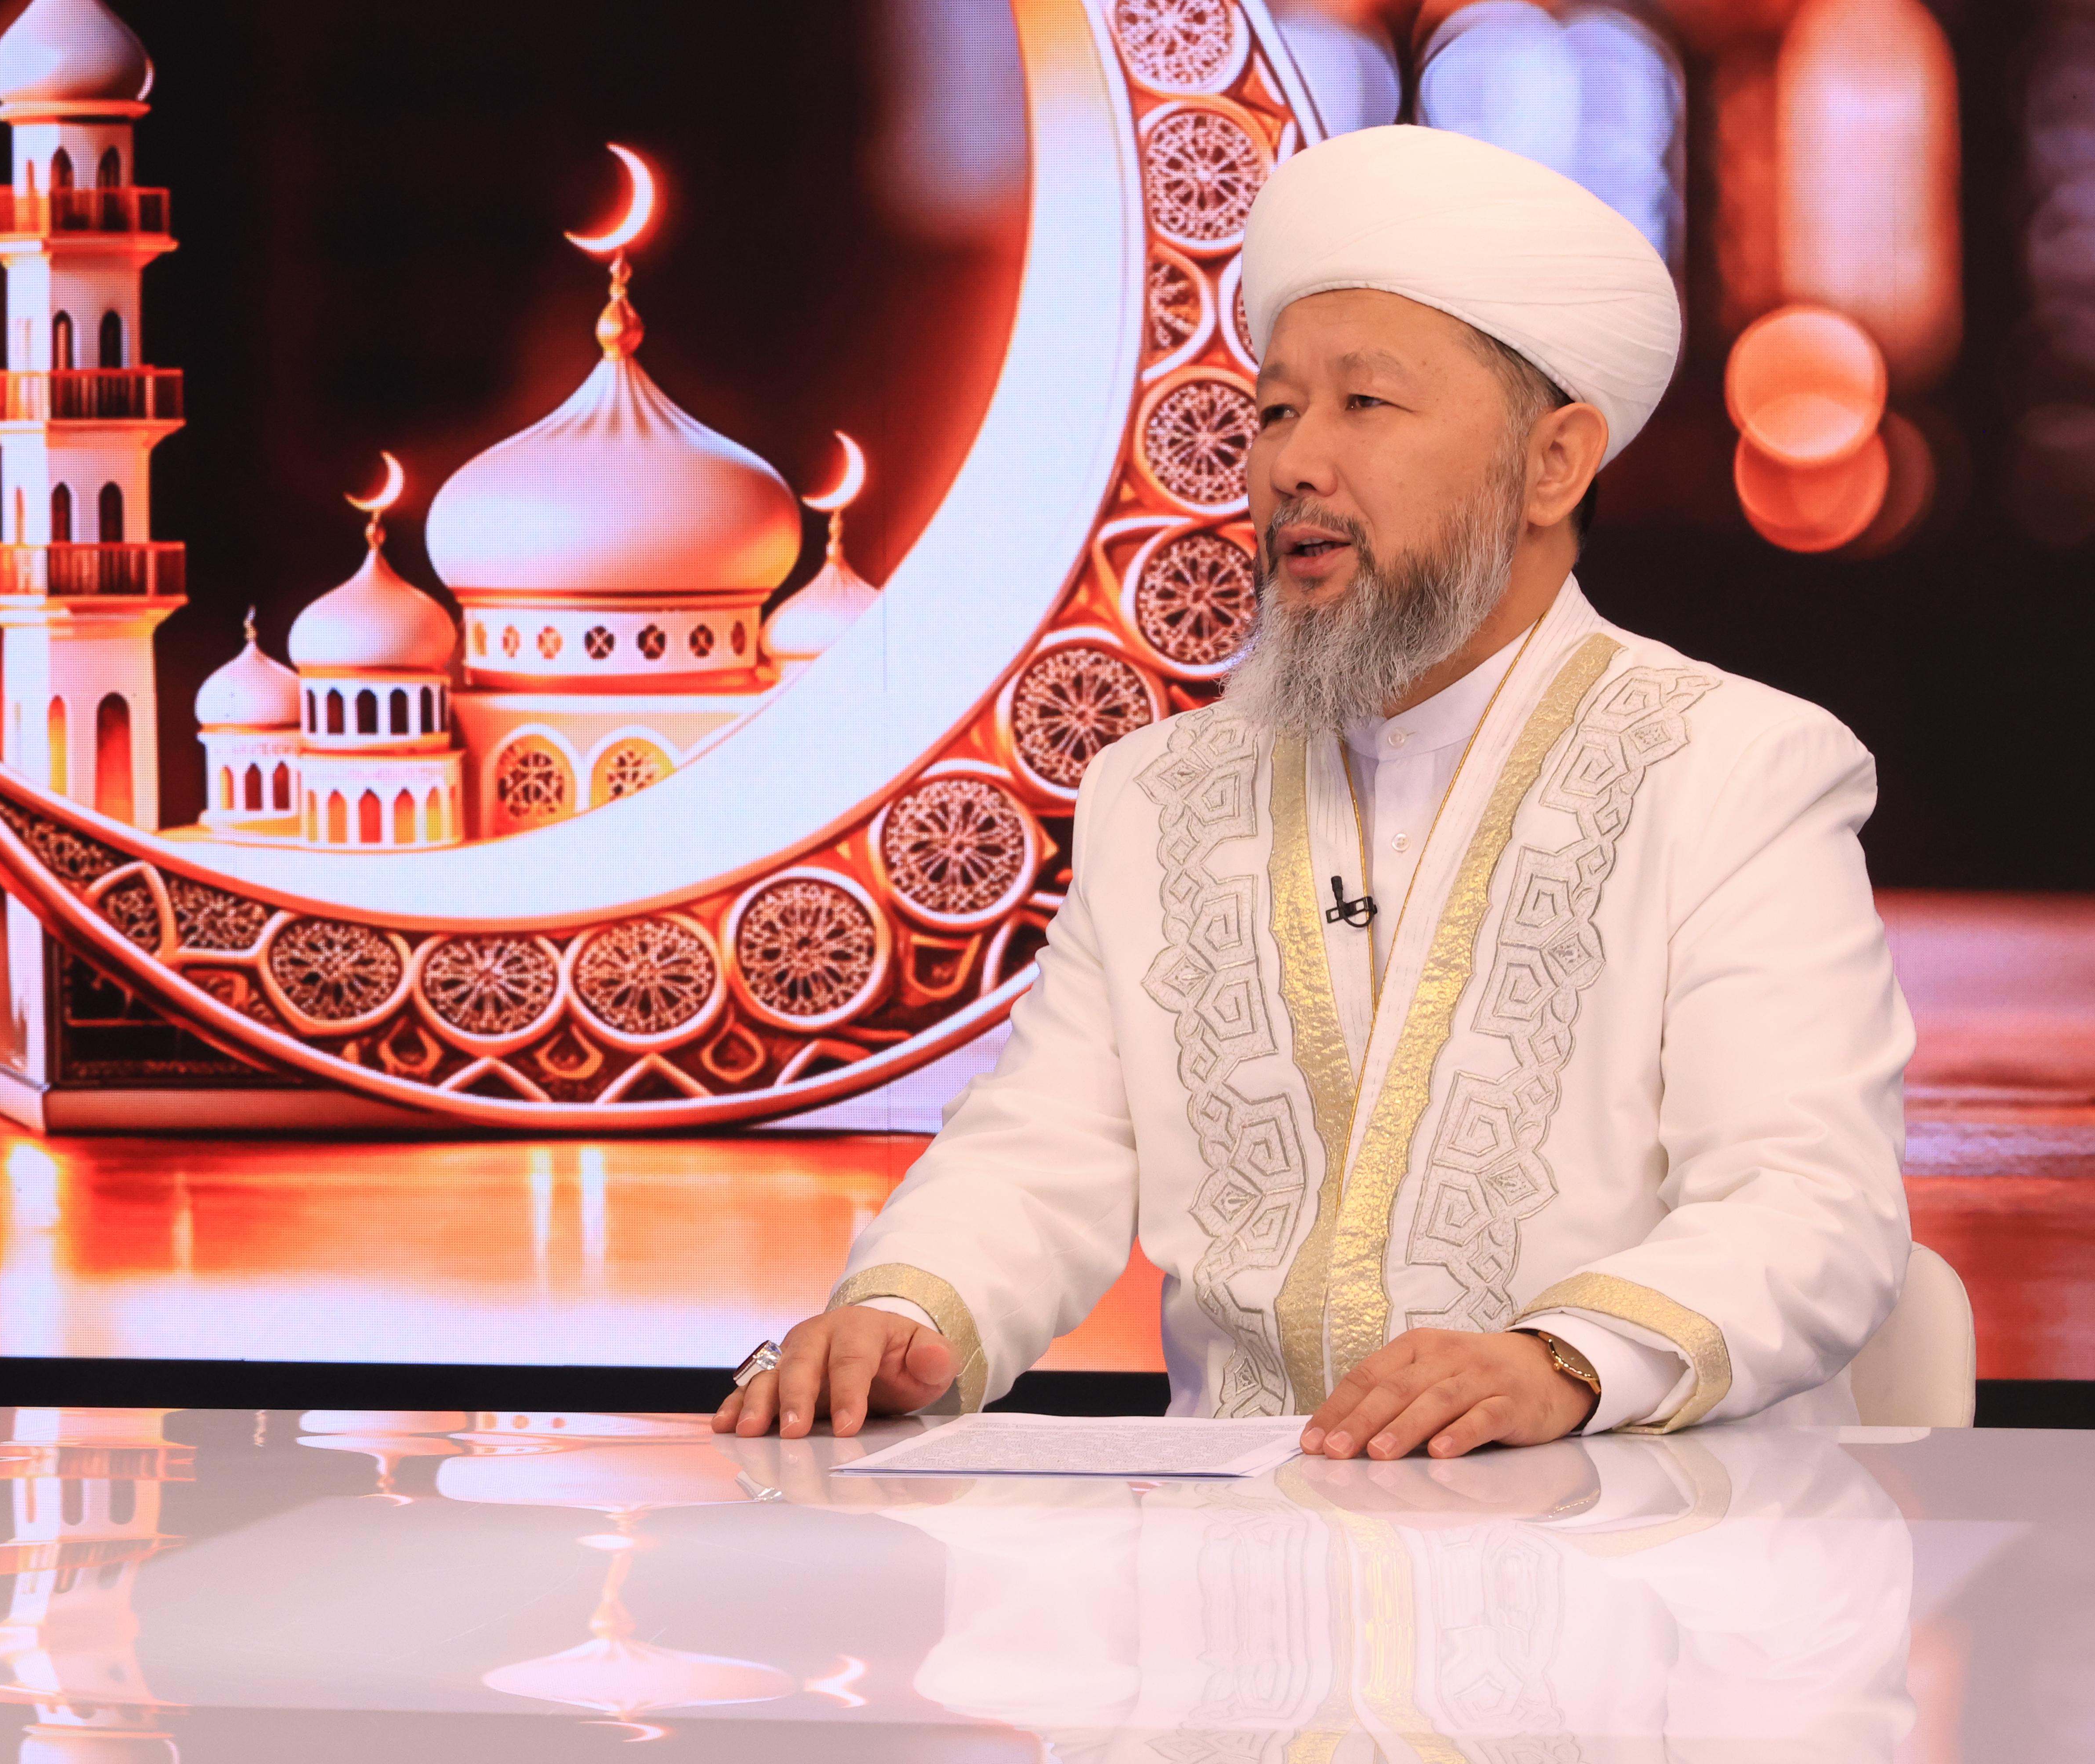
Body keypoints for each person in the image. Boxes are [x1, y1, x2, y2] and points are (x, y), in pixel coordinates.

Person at [715, 125, 1913, 1458]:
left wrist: (1561, 1363)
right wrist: (899, 1315)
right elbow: (1038, 1154)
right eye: (1275, 412)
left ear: (1554, 464)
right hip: (1248, 1543)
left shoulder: (1738, 769)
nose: (1292, 464)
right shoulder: (1161, 794)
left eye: (1365, 405)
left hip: (1641, 1534)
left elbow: (1810, 1203)